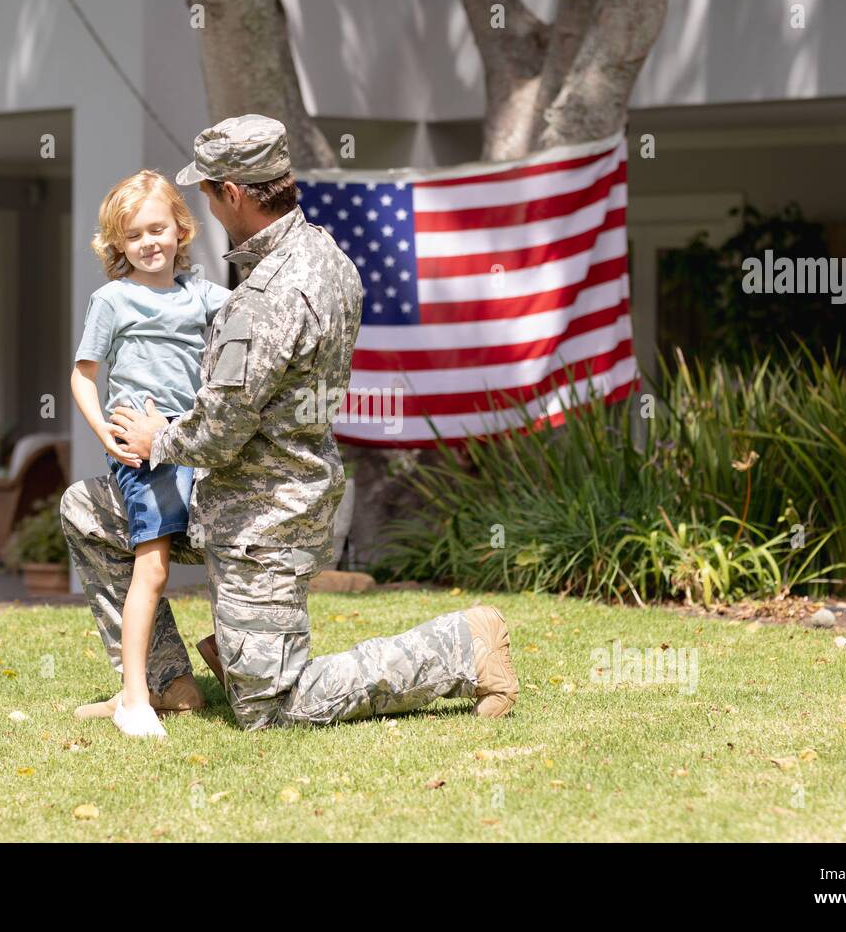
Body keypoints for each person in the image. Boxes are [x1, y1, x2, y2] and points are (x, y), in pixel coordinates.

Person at [64, 114, 518, 730]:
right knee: (88, 509)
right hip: (234, 502)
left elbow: (219, 432)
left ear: (234, 194)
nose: (205, 202)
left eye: (207, 190)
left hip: (264, 519)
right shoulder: (327, 256)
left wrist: (155, 439)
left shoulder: (263, 299)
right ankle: (168, 681)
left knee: (272, 708)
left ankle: (461, 645)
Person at [69, 169, 229, 737]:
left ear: (181, 229)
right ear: (117, 245)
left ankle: (223, 669)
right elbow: (83, 375)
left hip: (194, 445)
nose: (149, 243)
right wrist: (105, 434)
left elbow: (253, 316)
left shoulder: (205, 294)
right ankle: (136, 696)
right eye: (134, 236)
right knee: (153, 568)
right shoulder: (113, 299)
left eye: (157, 229)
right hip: (145, 453)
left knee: (226, 549)